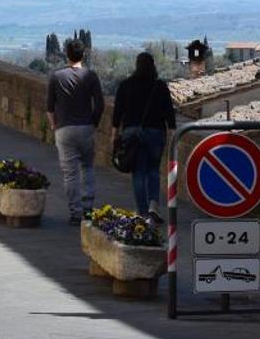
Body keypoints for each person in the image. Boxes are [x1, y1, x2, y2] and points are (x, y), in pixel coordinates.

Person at [112, 51, 176, 216]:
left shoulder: (126, 85)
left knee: (138, 172)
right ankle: (153, 206)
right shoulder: (160, 86)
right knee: (154, 170)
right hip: (156, 133)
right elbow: (169, 112)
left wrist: (114, 134)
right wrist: (173, 134)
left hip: (132, 133)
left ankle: (142, 212)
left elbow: (117, 112)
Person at [46, 40, 104, 220]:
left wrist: (54, 124)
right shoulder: (91, 76)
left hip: (64, 129)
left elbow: (49, 107)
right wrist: (93, 123)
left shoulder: (57, 76)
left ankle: (75, 212)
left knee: (70, 173)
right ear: (83, 55)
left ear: (67, 54)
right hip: (86, 127)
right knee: (87, 167)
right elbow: (100, 104)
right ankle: (88, 208)